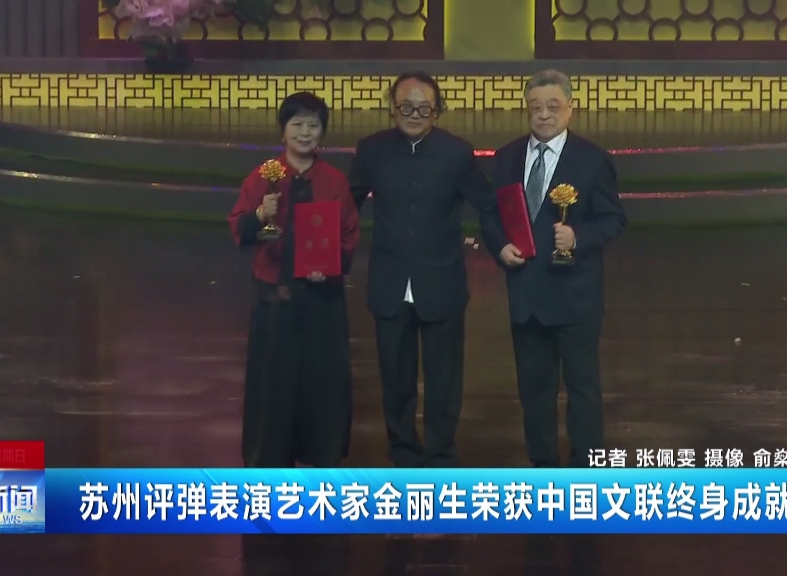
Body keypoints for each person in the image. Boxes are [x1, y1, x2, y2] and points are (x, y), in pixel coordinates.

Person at [350, 71, 507, 468]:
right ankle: (402, 452)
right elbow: (344, 208)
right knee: (395, 380)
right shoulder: (371, 150)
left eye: (424, 108)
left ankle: (440, 456)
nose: (414, 115)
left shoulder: (457, 153)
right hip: (389, 283)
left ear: (437, 111)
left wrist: (504, 244)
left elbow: (488, 206)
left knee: (444, 381)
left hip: (442, 282)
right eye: (406, 107)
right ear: (392, 108)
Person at [491, 70, 627, 468]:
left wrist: (578, 237)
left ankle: (585, 470)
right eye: (536, 107)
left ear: (570, 108)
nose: (544, 115)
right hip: (526, 295)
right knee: (534, 391)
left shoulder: (592, 160)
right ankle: (543, 467)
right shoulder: (507, 157)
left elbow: (614, 219)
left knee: (583, 389)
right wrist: (499, 246)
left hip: (575, 297)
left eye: (553, 107)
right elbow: (492, 216)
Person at [227, 92, 360, 468]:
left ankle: (322, 460)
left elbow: (349, 233)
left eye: (313, 125)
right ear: (283, 131)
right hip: (275, 304)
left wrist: (331, 267)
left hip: (322, 305)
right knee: (273, 390)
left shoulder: (334, 181)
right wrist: (259, 213)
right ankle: (269, 466)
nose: (304, 132)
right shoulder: (264, 176)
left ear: (322, 132)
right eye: (296, 124)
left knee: (323, 388)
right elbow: (238, 225)